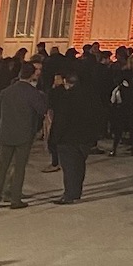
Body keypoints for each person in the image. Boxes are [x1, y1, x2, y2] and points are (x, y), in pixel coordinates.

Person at [0, 64, 48, 208]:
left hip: (6, 133)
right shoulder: (32, 93)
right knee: (19, 167)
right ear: (32, 75)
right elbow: (42, 110)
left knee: (2, 167)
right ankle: (15, 199)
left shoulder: (7, 91)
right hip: (24, 134)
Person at [45, 71, 92, 204]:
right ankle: (76, 192)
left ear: (66, 82)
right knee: (79, 166)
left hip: (67, 138)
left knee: (70, 168)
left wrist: (53, 138)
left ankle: (70, 194)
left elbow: (61, 120)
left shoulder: (66, 98)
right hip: (84, 138)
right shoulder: (89, 97)